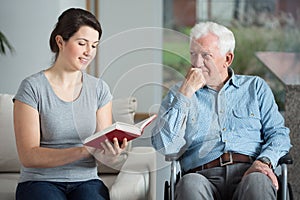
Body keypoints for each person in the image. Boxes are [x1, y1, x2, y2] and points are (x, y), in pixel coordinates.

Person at [151, 21, 291, 200]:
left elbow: (279, 134)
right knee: (188, 184)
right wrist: (185, 94)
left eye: (206, 55)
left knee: (259, 182)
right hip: (201, 175)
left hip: (250, 170)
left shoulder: (255, 88)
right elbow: (163, 145)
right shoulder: (179, 93)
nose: (196, 63)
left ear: (227, 59)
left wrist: (264, 161)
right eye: (193, 54)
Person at [13, 8, 128, 200]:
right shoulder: (32, 87)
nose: (88, 52)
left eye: (94, 45)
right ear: (60, 42)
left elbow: (102, 150)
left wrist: (111, 154)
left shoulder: (99, 89)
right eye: (82, 43)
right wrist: (83, 151)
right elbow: (28, 156)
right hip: (39, 182)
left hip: (86, 181)